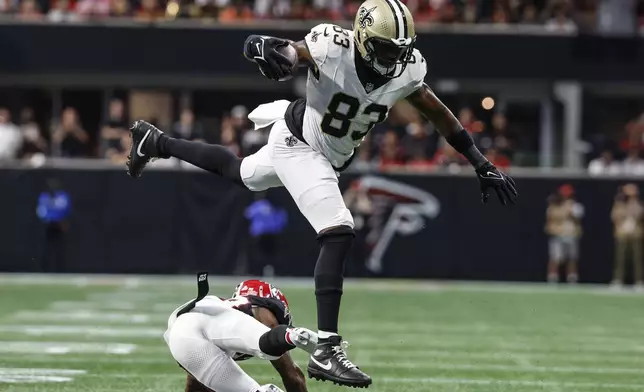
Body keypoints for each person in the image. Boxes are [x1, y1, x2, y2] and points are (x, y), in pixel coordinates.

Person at [127, 0, 517, 387]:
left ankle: (155, 142)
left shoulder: (407, 69)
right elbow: (293, 51)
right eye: (386, 49)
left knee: (241, 172)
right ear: (363, 39)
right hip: (301, 144)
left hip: (314, 147)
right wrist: (268, 48)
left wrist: (479, 161)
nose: (394, 58)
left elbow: (436, 111)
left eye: (401, 51)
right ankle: (327, 349)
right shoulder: (334, 45)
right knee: (338, 230)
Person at [164, 274, 318, 392]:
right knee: (270, 343)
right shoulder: (257, 311)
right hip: (194, 332)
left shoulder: (227, 313)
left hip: (180, 336)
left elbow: (197, 378)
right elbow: (293, 376)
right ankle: (296, 336)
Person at [544, 184, 583, 284]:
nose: (566, 197)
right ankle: (552, 278)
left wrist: (569, 209)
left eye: (568, 195)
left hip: (571, 235)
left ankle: (572, 278)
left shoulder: (576, 206)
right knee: (555, 258)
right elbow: (550, 222)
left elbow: (578, 218)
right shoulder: (553, 207)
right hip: (558, 235)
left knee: (572, 258)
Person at [611, 184, 644, 291]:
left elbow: (639, 214)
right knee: (620, 259)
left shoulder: (639, 204)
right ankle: (618, 280)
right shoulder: (619, 205)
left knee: (637, 259)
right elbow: (614, 216)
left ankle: (639, 281)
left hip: (636, 234)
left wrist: (633, 203)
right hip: (622, 234)